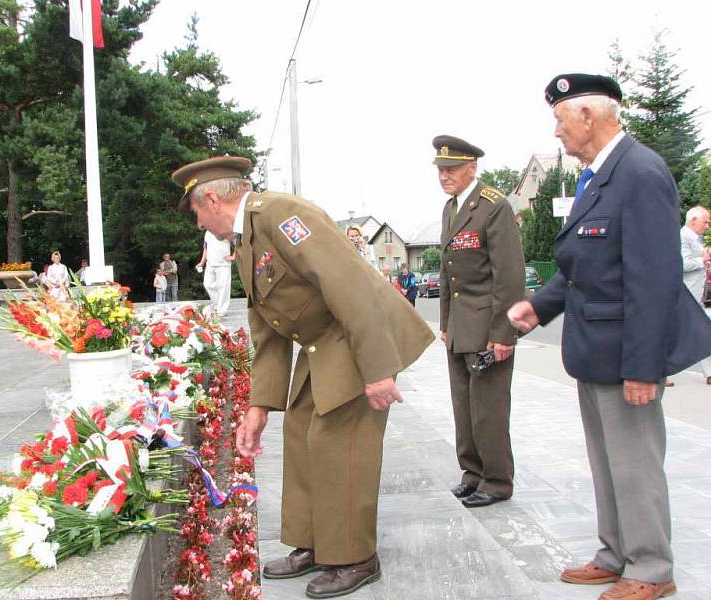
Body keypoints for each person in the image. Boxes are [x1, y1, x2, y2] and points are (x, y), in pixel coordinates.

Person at [172, 156, 434, 599]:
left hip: (354, 334)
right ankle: (316, 542)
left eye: (195, 212)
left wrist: (376, 369)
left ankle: (355, 557)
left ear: (212, 199)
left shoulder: (281, 215)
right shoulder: (247, 241)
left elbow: (347, 282)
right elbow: (268, 331)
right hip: (323, 341)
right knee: (300, 431)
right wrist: (258, 406)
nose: (197, 222)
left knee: (340, 439)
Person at [507, 73, 711, 600]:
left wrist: (645, 366)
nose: (556, 131)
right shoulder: (597, 177)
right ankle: (615, 553)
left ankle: (650, 568)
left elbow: (653, 278)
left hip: (627, 354)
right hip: (596, 351)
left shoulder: (640, 172)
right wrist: (539, 304)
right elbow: (585, 265)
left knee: (636, 464)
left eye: (559, 118)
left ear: (589, 116)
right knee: (607, 462)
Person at [434, 134, 525, 509]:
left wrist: (504, 334)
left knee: (489, 408)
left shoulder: (494, 206)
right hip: (460, 328)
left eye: (452, 169)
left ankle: (497, 480)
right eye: (440, 170)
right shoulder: (451, 208)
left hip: (488, 328)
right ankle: (472, 473)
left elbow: (509, 275)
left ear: (473, 167)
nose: (444, 176)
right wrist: (445, 322)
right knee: (464, 406)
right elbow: (446, 272)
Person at [678, 205, 711, 384]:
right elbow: (682, 264)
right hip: (686, 294)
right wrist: (703, 259)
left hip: (696, 294)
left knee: (703, 332)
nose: (707, 226)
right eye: (705, 222)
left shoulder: (696, 239)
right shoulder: (683, 236)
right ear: (693, 220)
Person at [196, 230, 234, 316]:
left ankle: (221, 310)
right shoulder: (207, 233)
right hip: (210, 264)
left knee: (223, 287)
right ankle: (217, 306)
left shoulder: (226, 230)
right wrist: (202, 262)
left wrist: (234, 256)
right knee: (208, 284)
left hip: (223, 264)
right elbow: (205, 248)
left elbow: (239, 243)